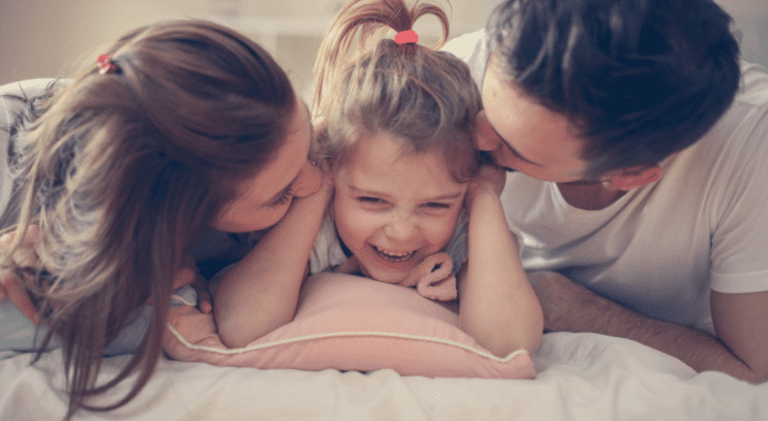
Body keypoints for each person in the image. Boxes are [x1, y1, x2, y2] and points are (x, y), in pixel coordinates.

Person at [0, 19, 323, 419]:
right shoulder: (8, 144)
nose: (317, 179)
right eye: (283, 194)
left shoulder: (258, 144)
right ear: (172, 214)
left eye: (307, 123)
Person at [442, 0, 768, 382]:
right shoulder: (457, 75)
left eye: (511, 148)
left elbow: (753, 369)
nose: (474, 137)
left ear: (631, 176)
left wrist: (578, 309)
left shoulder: (751, 147)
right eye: (485, 102)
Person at [212, 0, 543, 358]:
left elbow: (509, 343)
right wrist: (321, 179)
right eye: (372, 201)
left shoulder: (467, 228)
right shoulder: (319, 225)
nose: (401, 232)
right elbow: (240, 324)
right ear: (334, 175)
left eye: (435, 205)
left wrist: (484, 195)